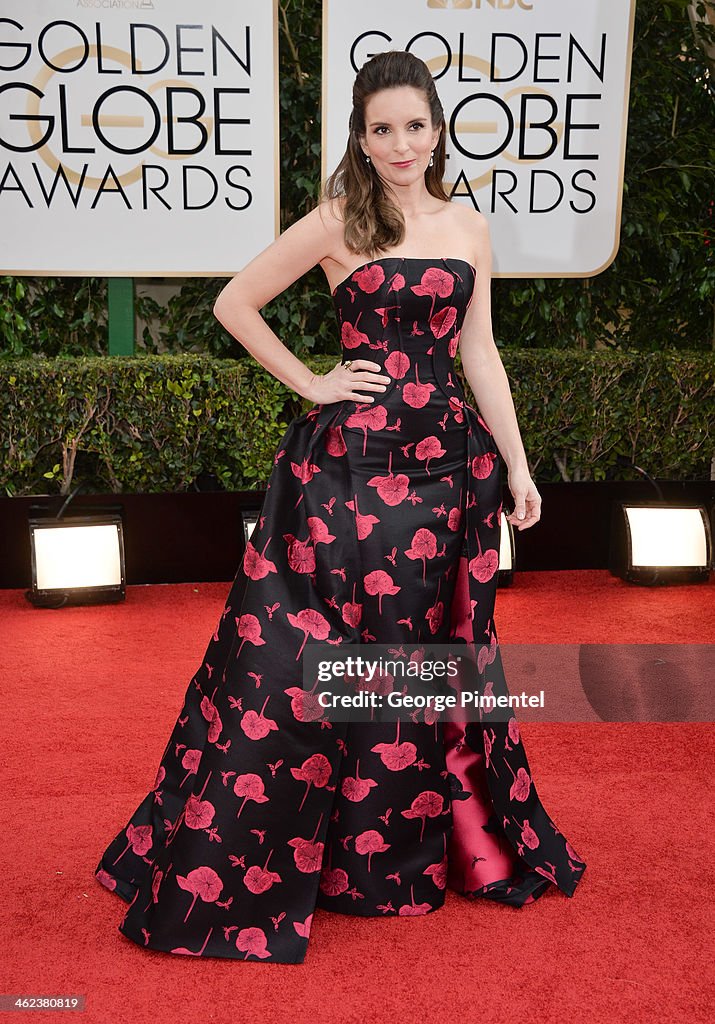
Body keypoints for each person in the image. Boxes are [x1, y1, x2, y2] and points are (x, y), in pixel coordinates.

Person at [94, 49, 586, 964]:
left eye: (414, 125)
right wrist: (315, 383)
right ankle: (314, 859)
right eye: (380, 129)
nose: (400, 144)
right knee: (311, 659)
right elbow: (234, 304)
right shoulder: (335, 222)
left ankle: (402, 857)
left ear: (436, 130)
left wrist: (518, 465)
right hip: (348, 480)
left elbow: (480, 355)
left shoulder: (470, 228)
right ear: (360, 140)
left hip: (448, 476)